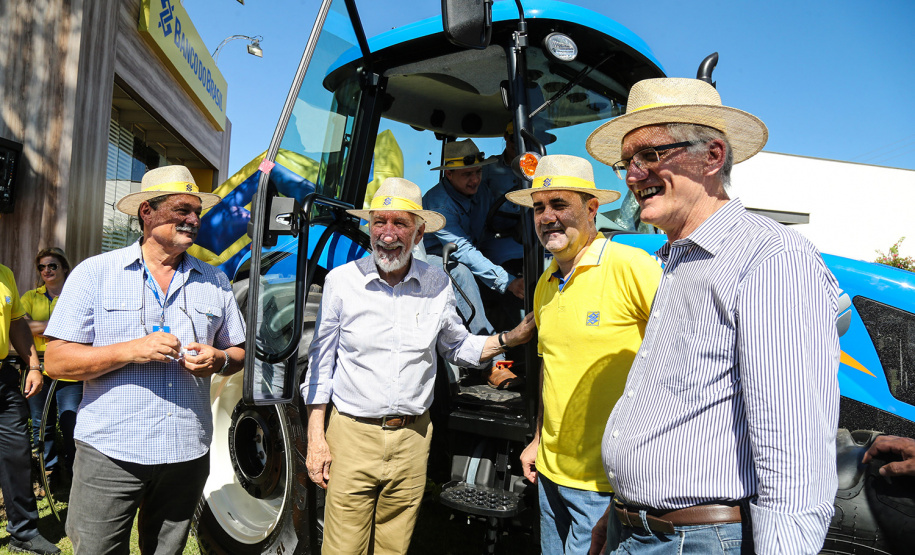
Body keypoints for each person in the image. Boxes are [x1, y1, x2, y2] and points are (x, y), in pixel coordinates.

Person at [585, 78, 840, 554]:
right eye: (626, 162)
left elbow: (793, 447)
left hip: (694, 539)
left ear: (713, 156)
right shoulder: (676, 259)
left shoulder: (770, 257)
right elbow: (676, 406)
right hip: (644, 529)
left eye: (649, 156)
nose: (632, 176)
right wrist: (620, 512)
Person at [302, 177, 535, 555]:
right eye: (380, 222)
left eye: (400, 224)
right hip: (353, 435)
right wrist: (316, 438)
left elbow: (456, 345)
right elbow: (321, 364)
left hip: (413, 438)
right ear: (369, 226)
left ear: (419, 231)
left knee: (394, 547)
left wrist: (509, 340)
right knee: (343, 548)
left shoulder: (437, 281)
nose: (388, 234)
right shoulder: (342, 282)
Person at [43, 165, 246, 554]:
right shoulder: (95, 274)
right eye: (181, 210)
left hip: (187, 451)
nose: (193, 219)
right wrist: (131, 350)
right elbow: (56, 360)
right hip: (111, 451)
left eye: (197, 212)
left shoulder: (215, 280)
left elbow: (236, 352)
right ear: (146, 213)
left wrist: (218, 359)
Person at [504, 155, 661, 554]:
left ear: (592, 208)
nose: (546, 217)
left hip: (606, 485)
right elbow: (550, 369)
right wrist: (537, 439)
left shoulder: (632, 267)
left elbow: (680, 360)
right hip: (550, 476)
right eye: (539, 207)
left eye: (560, 205)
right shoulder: (545, 283)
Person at [423, 139, 524, 337]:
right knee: (460, 272)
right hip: (432, 258)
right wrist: (508, 281)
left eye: (478, 172)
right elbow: (462, 250)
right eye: (467, 174)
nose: (475, 179)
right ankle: (486, 351)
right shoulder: (439, 204)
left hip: (469, 250)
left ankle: (523, 340)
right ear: (449, 174)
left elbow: (492, 222)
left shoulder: (482, 193)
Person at [0, 262, 60, 554]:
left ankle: (22, 533)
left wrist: (34, 365)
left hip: (3, 377)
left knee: (17, 454)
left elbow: (16, 324)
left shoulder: (4, 273)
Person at [21, 247, 82, 490]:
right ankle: (49, 474)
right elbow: (21, 327)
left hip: (70, 371)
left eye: (52, 266)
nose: (47, 270)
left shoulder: (76, 295)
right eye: (42, 267)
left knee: (72, 422)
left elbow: (81, 327)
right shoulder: (29, 296)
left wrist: (39, 327)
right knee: (40, 424)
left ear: (64, 268)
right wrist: (57, 327)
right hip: (38, 370)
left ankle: (75, 474)